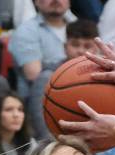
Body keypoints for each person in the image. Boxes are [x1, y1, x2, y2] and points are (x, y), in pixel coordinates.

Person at [8, 0, 75, 141]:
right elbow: (34, 75)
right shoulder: (26, 31)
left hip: (78, 102)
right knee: (45, 78)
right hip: (40, 106)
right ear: (37, 2)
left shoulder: (77, 24)